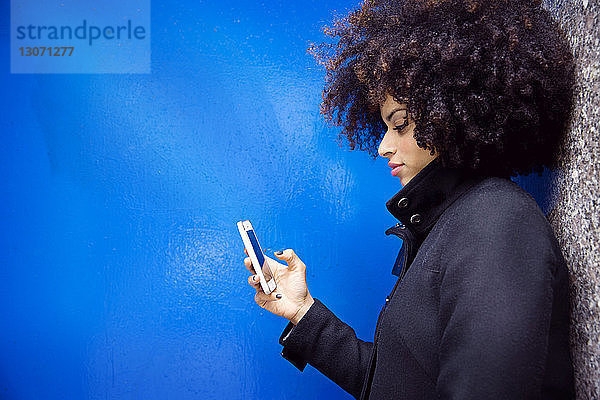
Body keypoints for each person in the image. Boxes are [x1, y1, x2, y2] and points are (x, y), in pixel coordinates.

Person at [242, 0, 576, 398]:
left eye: (399, 124)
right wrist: (302, 311)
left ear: (451, 114)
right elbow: (395, 381)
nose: (382, 146)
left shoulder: (497, 224)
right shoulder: (449, 224)